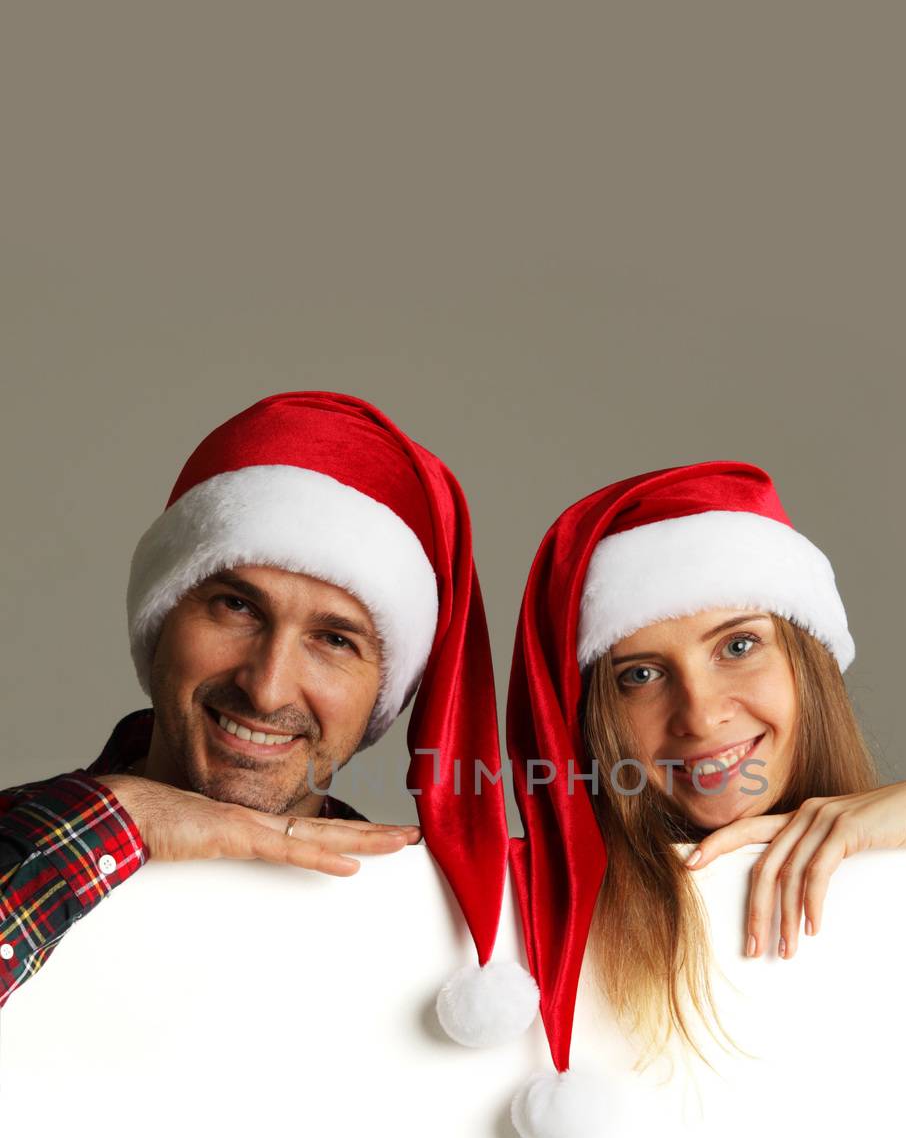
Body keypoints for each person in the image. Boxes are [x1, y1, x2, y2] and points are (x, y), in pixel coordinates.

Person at [504, 460, 906, 1138]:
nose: (701, 716)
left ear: (808, 663)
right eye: (640, 675)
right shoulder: (509, 916)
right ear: (591, 717)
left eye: (737, 646)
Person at [0, 390, 538, 1045]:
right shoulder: (20, 838)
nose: (266, 686)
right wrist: (124, 819)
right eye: (235, 607)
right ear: (161, 620)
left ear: (382, 695)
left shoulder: (431, 929)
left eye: (335, 640)